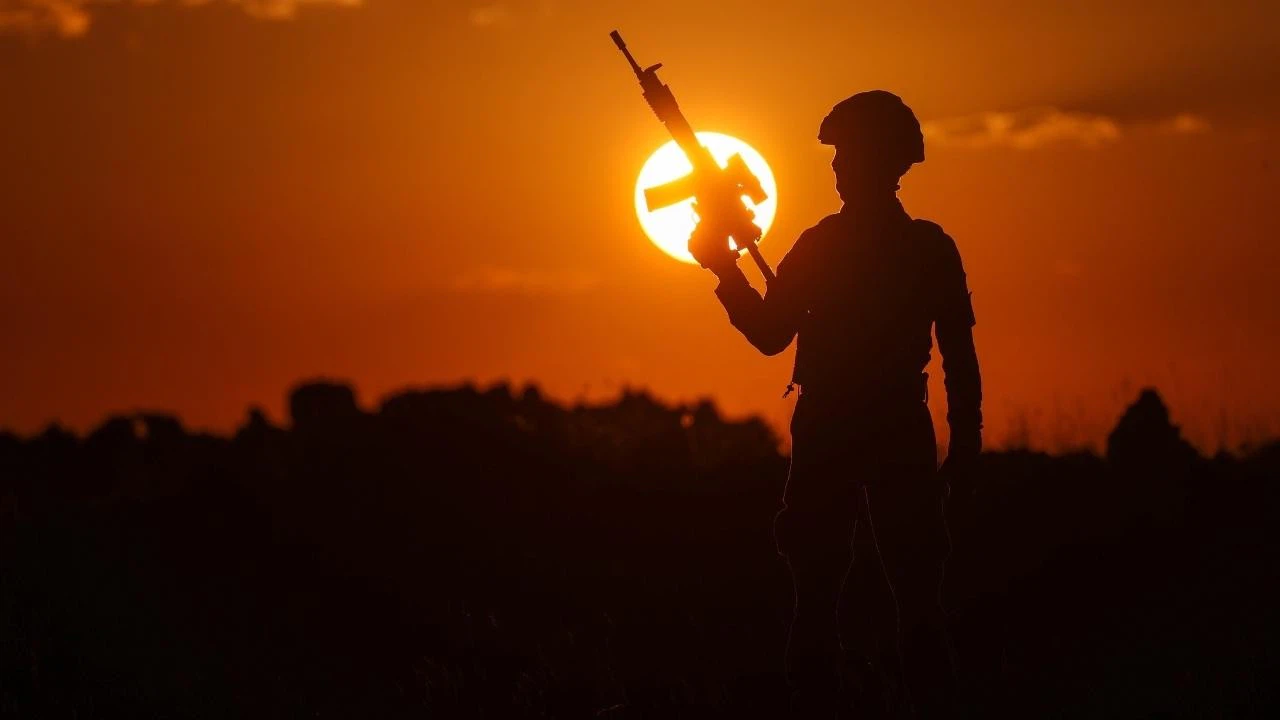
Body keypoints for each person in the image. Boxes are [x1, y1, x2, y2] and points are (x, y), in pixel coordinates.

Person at [689, 90, 983, 718]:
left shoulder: (827, 244)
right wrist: (965, 448)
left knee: (828, 597)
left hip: (836, 429)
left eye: (846, 153)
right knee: (898, 595)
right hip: (896, 428)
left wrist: (721, 267)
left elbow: (770, 335)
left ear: (880, 161)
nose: (836, 166)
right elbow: (959, 359)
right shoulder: (930, 247)